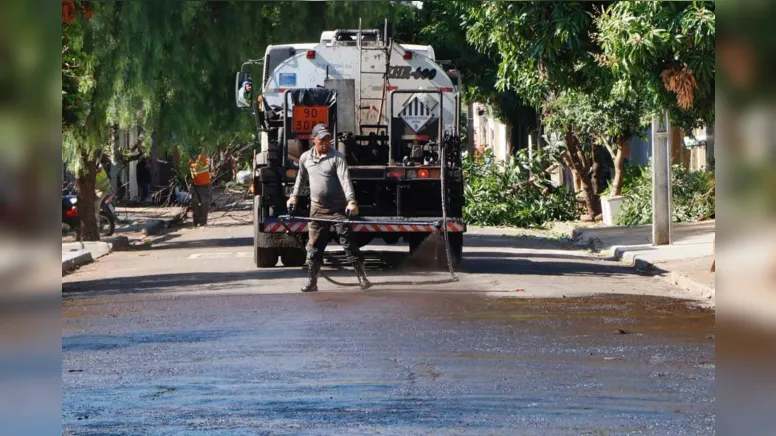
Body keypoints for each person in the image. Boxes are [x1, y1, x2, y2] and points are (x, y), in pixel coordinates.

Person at [287, 123, 371, 292]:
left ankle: (362, 277)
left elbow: (345, 180)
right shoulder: (305, 158)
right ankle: (312, 282)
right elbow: (300, 179)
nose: (325, 143)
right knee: (314, 247)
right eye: (321, 140)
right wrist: (294, 197)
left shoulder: (337, 157)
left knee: (348, 244)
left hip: (338, 208)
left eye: (327, 139)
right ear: (313, 140)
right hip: (317, 209)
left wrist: (351, 201)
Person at [189, 152, 212, 227]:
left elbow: (197, 167)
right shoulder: (190, 158)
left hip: (204, 185)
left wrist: (190, 163)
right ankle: (196, 221)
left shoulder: (201, 156)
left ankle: (202, 222)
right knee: (194, 203)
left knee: (204, 203)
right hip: (195, 185)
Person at [94, 160, 112, 224]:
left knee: (96, 202)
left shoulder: (98, 165)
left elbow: (99, 169)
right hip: (97, 189)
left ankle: (97, 221)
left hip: (104, 189)